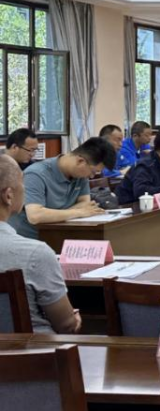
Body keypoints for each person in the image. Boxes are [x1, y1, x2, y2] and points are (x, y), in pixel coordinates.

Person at [0, 156, 81, 333]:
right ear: (8, 195)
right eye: (22, 183)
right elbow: (66, 325)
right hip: (31, 349)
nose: (25, 189)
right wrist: (74, 320)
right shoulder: (35, 253)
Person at [9, 137, 116, 240]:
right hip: (29, 239)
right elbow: (35, 216)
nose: (92, 176)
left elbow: (85, 204)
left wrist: (53, 214)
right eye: (93, 171)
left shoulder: (80, 175)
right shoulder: (36, 174)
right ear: (80, 161)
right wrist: (78, 212)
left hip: (59, 235)